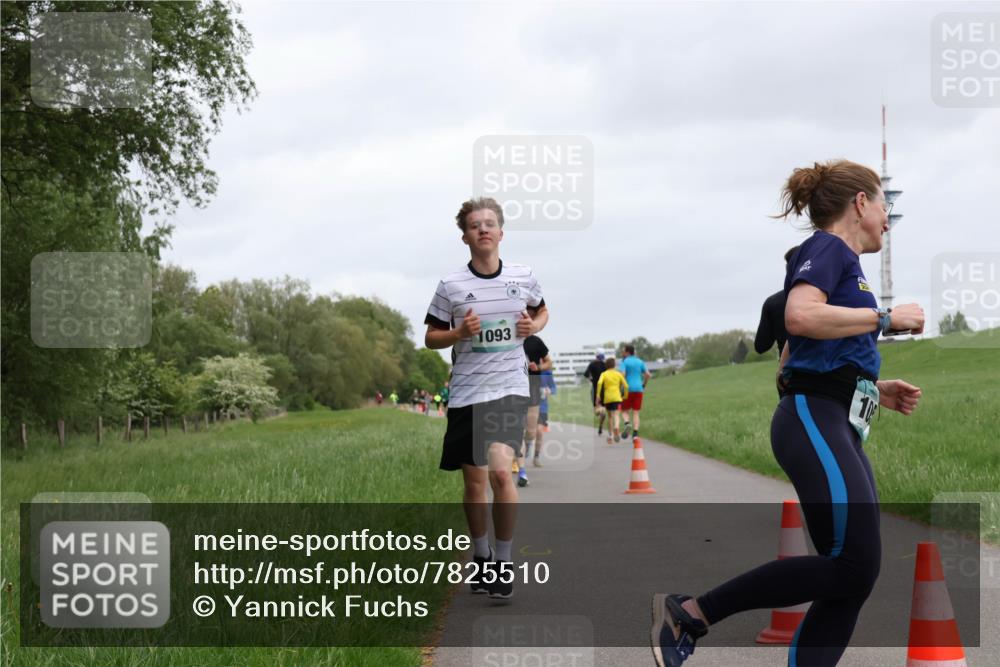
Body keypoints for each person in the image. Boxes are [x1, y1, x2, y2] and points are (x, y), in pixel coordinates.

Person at [651, 159, 924, 667]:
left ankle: (695, 614)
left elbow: (791, 363)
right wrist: (887, 317)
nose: (888, 217)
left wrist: (870, 386)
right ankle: (692, 613)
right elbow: (800, 315)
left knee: (852, 575)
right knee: (854, 564)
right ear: (860, 203)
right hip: (813, 421)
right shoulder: (828, 248)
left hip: (830, 417)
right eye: (883, 204)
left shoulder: (846, 269)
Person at [424, 196, 548, 600]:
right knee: (475, 483)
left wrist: (532, 325)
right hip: (466, 392)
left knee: (499, 473)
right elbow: (430, 338)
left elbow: (542, 311)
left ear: (501, 232)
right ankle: (481, 555)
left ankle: (504, 563)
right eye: (475, 225)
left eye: (489, 223)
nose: (483, 229)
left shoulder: (523, 275)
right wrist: (459, 334)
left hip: (508, 388)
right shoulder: (451, 285)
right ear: (465, 236)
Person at [755, 245, 800, 397]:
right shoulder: (830, 296)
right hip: (827, 372)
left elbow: (761, 345)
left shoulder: (773, 303)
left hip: (788, 374)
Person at [517, 334, 552, 485]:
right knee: (517, 430)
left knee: (531, 432)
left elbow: (549, 362)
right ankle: (522, 472)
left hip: (533, 387)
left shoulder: (535, 341)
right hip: (513, 388)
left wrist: (538, 367)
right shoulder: (508, 339)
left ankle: (525, 448)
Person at [619, 344, 651, 441]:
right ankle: (635, 434)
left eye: (623, 351)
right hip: (638, 389)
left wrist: (620, 385)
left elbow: (623, 374)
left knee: (624, 410)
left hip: (627, 389)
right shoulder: (640, 361)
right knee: (636, 412)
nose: (622, 353)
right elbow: (648, 375)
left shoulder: (624, 362)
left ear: (628, 352)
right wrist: (643, 385)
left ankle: (627, 423)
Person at [595, 357, 628, 444]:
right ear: (614, 365)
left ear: (606, 365)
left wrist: (598, 395)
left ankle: (610, 436)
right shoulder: (618, 374)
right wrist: (625, 395)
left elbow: (599, 383)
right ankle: (616, 427)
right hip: (617, 397)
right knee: (616, 414)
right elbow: (626, 386)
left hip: (607, 398)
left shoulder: (604, 374)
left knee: (609, 417)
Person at [583, 352, 608, 434]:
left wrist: (591, 379)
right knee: (603, 408)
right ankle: (601, 425)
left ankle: (598, 411)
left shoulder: (592, 364)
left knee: (596, 408)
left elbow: (586, 374)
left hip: (595, 388)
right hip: (604, 389)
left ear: (596, 356)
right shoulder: (605, 365)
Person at [538, 368, 556, 435]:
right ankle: (529, 443)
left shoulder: (547, 372)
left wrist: (550, 391)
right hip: (528, 406)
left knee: (539, 430)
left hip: (542, 407)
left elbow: (553, 387)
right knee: (531, 431)